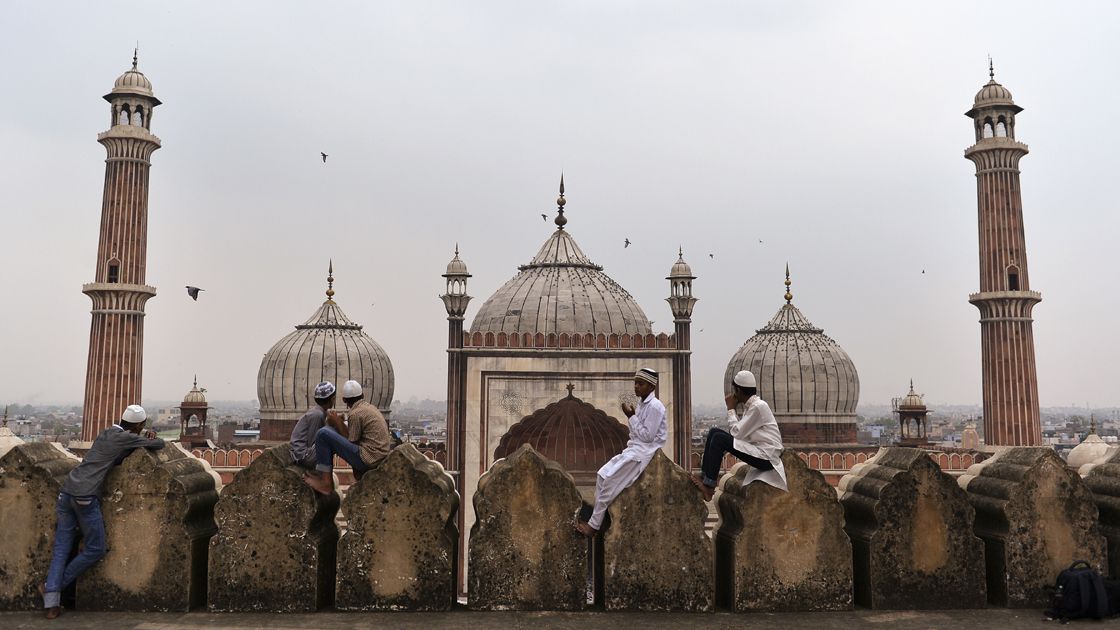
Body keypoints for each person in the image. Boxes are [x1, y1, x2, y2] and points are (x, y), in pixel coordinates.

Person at [42, 405, 165, 620]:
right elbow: (158, 443)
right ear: (138, 425)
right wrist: (148, 435)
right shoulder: (124, 437)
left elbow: (113, 457)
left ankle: (52, 601)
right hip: (85, 496)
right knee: (96, 549)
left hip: (67, 491)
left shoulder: (107, 433)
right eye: (142, 426)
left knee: (62, 547)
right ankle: (53, 588)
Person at [574, 367, 667, 537]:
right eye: (636, 383)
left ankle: (593, 526)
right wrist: (633, 416)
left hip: (643, 453)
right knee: (602, 475)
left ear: (652, 387)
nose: (636, 387)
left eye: (641, 384)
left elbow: (647, 437)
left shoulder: (655, 407)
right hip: (633, 448)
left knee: (610, 482)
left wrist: (631, 417)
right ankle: (600, 519)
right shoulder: (642, 404)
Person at [692, 370, 787, 501]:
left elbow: (736, 433)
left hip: (766, 457)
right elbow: (740, 432)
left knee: (719, 439)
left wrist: (731, 409)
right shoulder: (753, 406)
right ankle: (705, 476)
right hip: (760, 452)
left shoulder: (758, 407)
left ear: (739, 391)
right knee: (714, 432)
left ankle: (709, 487)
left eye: (734, 391)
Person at [303, 380, 390, 495]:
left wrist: (337, 422)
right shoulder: (368, 408)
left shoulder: (355, 413)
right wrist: (338, 422)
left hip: (368, 459)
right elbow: (353, 435)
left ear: (344, 400)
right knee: (329, 431)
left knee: (322, 434)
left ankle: (326, 482)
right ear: (362, 395)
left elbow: (351, 440)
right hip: (377, 456)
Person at [289, 381, 336, 469]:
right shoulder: (317, 415)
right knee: (333, 439)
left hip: (305, 453)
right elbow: (313, 442)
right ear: (331, 399)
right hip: (303, 455)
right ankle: (324, 477)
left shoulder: (320, 412)